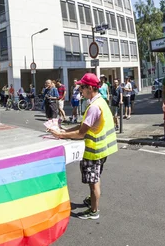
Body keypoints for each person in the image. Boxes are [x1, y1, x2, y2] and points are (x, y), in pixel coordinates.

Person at [50, 73, 117, 220]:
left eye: (82, 87)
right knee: (96, 178)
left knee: (94, 182)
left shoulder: (94, 107)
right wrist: (65, 130)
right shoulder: (100, 101)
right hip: (102, 150)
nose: (80, 90)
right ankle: (92, 199)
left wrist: (60, 135)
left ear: (90, 88)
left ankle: (94, 211)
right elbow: (83, 124)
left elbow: (81, 133)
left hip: (93, 151)